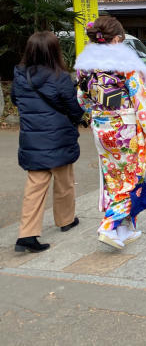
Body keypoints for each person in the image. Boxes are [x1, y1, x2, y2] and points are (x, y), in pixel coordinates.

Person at [75, 16, 146, 249]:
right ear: (115, 40)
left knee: (113, 177)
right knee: (132, 177)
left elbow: (82, 98)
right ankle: (109, 225)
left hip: (101, 128)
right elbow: (139, 97)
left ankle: (124, 228)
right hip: (125, 128)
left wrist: (98, 115)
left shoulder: (84, 65)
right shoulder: (124, 63)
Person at [11, 32, 83, 253]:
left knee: (34, 187)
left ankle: (27, 235)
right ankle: (66, 220)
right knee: (64, 182)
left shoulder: (20, 76)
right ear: (54, 51)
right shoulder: (60, 77)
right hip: (59, 137)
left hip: (32, 139)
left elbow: (15, 99)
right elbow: (73, 108)